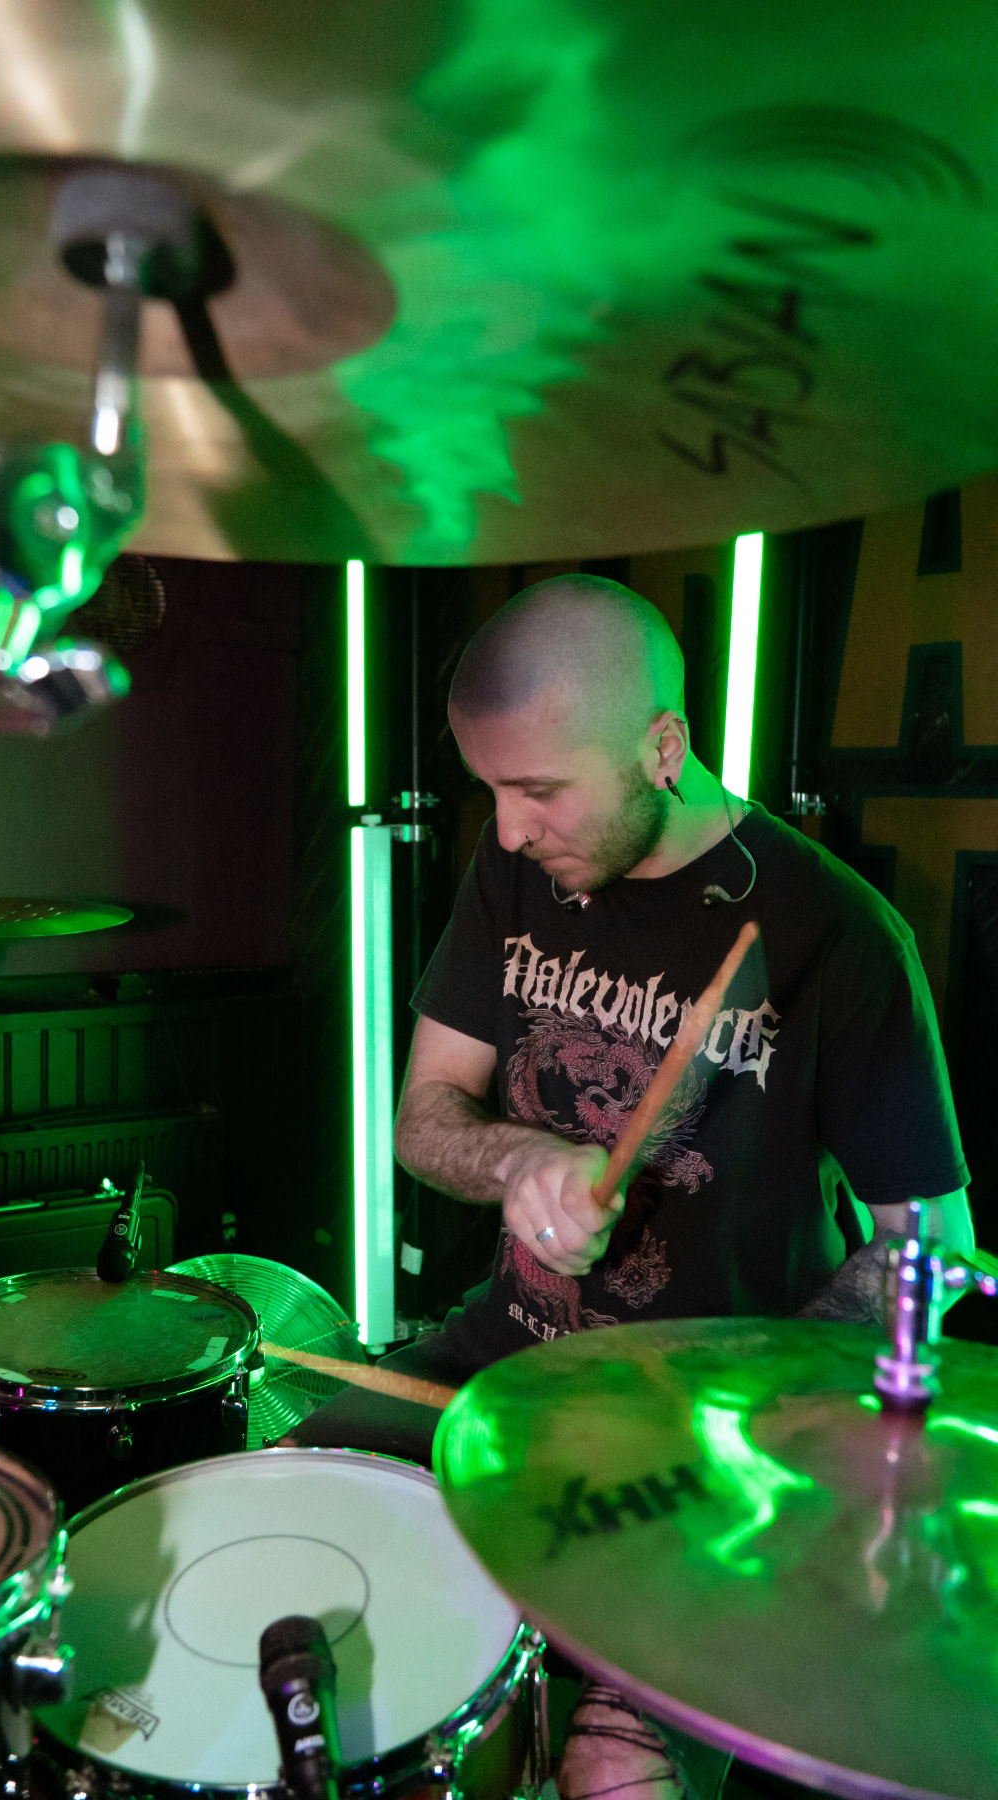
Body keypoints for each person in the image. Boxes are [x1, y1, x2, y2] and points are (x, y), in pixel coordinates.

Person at [292, 575, 972, 1799]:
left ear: (663, 746)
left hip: (709, 1446)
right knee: (278, 1532)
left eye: (539, 791)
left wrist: (752, 1402)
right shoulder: (514, 873)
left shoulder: (840, 934)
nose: (508, 830)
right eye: (490, 791)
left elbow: (931, 1252)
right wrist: (520, 1160)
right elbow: (423, 1118)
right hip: (503, 1363)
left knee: (613, 1775)